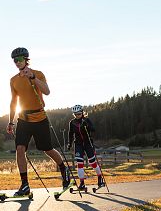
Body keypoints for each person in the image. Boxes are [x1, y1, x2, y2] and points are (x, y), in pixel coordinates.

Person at [6, 47, 70, 197]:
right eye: (14, 60)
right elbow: (13, 102)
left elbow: (47, 91)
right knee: (20, 149)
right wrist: (10, 121)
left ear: (26, 60)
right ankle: (25, 185)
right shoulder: (13, 80)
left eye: (20, 59)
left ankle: (63, 169)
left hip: (40, 118)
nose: (17, 62)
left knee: (47, 149)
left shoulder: (38, 74)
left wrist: (33, 77)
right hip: (23, 119)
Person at [67, 104, 105, 190]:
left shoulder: (86, 120)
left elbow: (93, 129)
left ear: (82, 113)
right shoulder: (72, 123)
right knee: (80, 164)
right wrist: (69, 143)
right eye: (75, 114)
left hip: (88, 143)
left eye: (79, 114)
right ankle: (82, 183)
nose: (77, 116)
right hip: (78, 144)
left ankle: (100, 178)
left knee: (92, 162)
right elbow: (70, 134)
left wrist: (87, 126)